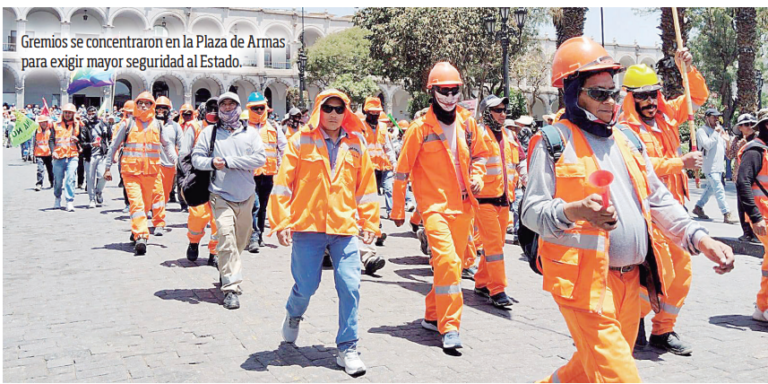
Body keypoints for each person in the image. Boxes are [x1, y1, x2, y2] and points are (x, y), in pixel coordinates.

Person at [523, 36, 734, 383]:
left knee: (588, 368)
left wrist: (700, 237)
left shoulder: (627, 141)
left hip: (631, 284)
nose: (611, 101)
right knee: (621, 375)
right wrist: (574, 211)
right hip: (584, 287)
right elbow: (532, 211)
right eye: (599, 93)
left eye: (614, 92)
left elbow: (658, 199)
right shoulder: (552, 142)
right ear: (574, 92)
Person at [269, 89, 379, 376]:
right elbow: (282, 185)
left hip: (343, 229)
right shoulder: (300, 141)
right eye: (328, 108)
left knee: (350, 285)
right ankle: (294, 314)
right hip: (308, 227)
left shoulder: (357, 143)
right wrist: (281, 222)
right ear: (319, 110)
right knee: (306, 286)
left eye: (339, 109)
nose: (333, 114)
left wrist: (369, 223)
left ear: (346, 113)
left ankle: (348, 347)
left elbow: (366, 188)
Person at [392, 62, 490, 350]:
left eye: (454, 90)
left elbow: (482, 155)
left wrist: (478, 176)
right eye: (443, 91)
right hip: (434, 208)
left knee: (453, 266)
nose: (449, 96)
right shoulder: (419, 128)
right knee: (447, 263)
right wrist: (399, 210)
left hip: (463, 207)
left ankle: (433, 315)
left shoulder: (468, 123)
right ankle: (450, 327)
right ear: (432, 92)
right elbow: (401, 171)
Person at [618, 58, 707, 355]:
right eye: (642, 95)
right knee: (657, 276)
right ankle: (626, 324)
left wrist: (688, 69)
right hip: (648, 217)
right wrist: (679, 163)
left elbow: (697, 97)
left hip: (676, 212)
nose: (649, 100)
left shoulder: (668, 116)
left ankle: (663, 330)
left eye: (653, 93)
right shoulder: (624, 130)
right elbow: (641, 166)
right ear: (630, 97)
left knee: (681, 276)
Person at [191, 92, 266, 310]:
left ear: (238, 107)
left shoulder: (250, 133)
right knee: (225, 238)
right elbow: (197, 158)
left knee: (240, 242)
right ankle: (231, 288)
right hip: (220, 194)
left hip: (246, 196)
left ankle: (227, 266)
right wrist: (212, 163)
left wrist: (229, 162)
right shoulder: (209, 133)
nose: (226, 107)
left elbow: (260, 158)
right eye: (222, 104)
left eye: (231, 103)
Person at [104, 92, 176, 255]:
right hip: (131, 173)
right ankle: (142, 236)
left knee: (145, 206)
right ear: (136, 105)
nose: (144, 106)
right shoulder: (127, 124)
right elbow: (114, 146)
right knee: (136, 204)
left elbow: (167, 145)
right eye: (141, 103)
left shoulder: (158, 125)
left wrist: (176, 160)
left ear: (152, 106)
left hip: (150, 172)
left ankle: (136, 229)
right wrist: (107, 167)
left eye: (148, 103)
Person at [471, 95, 517, 308]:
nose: (502, 114)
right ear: (486, 113)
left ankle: (481, 282)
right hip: (484, 200)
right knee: (494, 246)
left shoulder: (507, 135)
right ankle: (497, 289)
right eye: (497, 110)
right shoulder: (477, 134)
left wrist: (524, 176)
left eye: (503, 110)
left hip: (504, 199)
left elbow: (517, 161)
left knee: (496, 245)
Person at [735, 108, 768, 323]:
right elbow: (742, 182)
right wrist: (755, 217)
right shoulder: (755, 151)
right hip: (763, 217)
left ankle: (762, 307)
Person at [244, 92, 287, 253]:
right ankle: (253, 237)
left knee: (262, 207)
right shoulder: (243, 128)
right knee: (254, 205)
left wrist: (284, 170)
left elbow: (283, 148)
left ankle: (259, 235)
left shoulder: (274, 127)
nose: (259, 111)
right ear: (249, 109)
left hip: (268, 174)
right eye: (255, 108)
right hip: (249, 174)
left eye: (261, 107)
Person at [179, 100, 219, 267]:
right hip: (199, 178)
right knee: (198, 215)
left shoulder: (227, 129)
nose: (214, 112)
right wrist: (187, 177)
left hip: (220, 179)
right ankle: (194, 242)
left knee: (219, 219)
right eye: (210, 109)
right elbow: (183, 154)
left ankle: (215, 252)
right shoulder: (194, 128)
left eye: (217, 109)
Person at [361, 97, 397, 242]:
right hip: (367, 169)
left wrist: (394, 163)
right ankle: (375, 225)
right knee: (370, 197)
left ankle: (379, 220)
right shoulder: (361, 127)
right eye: (372, 113)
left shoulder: (382, 128)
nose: (375, 115)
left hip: (382, 167)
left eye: (377, 113)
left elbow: (388, 147)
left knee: (382, 192)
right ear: (366, 112)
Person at [693, 108, 736, 223]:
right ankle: (726, 213)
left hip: (718, 166)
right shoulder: (702, 131)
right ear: (707, 118)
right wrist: (716, 133)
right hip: (709, 166)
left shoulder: (719, 130)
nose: (716, 119)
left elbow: (724, 145)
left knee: (710, 189)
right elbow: (707, 145)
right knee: (719, 188)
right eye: (714, 117)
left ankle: (698, 207)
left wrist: (726, 140)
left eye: (717, 117)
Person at [728, 114, 759, 243]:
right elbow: (730, 155)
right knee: (741, 205)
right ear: (740, 127)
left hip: (754, 178)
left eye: (751, 123)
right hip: (739, 176)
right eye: (746, 124)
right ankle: (746, 232)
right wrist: (730, 143)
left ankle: (756, 233)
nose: (749, 126)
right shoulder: (737, 140)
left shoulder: (757, 139)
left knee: (754, 204)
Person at [153, 96, 183, 225]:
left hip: (169, 166)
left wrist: (180, 162)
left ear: (169, 110)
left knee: (163, 194)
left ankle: (158, 213)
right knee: (153, 192)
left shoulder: (175, 127)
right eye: (158, 107)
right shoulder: (150, 124)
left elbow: (182, 146)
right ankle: (158, 220)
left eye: (164, 108)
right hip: (151, 165)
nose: (160, 110)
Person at [51, 103, 82, 212]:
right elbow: (51, 139)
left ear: (73, 114)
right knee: (58, 180)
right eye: (66, 112)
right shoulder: (55, 125)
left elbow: (82, 138)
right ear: (62, 113)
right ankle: (57, 197)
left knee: (70, 178)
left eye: (70, 113)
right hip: (58, 156)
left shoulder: (78, 125)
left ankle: (69, 201)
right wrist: (52, 151)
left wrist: (78, 140)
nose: (68, 115)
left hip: (72, 155)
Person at [89, 114, 114, 207]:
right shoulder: (86, 126)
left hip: (102, 154)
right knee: (90, 178)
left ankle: (98, 191)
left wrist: (111, 149)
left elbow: (110, 138)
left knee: (103, 175)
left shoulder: (105, 126)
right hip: (90, 155)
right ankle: (91, 198)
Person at [77, 107, 97, 190]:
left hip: (94, 148)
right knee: (81, 167)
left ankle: (88, 184)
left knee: (91, 168)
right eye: (89, 113)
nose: (91, 115)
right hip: (83, 147)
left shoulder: (98, 123)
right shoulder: (83, 123)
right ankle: (80, 182)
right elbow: (78, 136)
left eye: (93, 113)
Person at [33, 115, 54, 191]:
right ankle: (39, 184)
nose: (43, 124)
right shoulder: (37, 131)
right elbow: (34, 142)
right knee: (40, 169)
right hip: (39, 154)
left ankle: (52, 182)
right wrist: (33, 154)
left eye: (44, 122)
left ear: (47, 122)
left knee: (51, 169)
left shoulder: (51, 130)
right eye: (41, 122)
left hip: (49, 154)